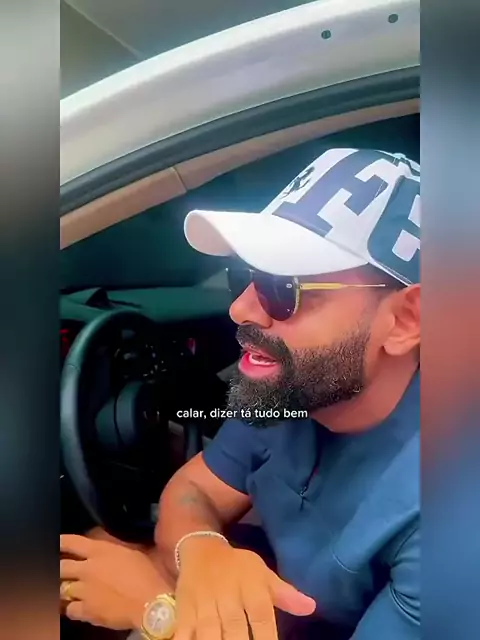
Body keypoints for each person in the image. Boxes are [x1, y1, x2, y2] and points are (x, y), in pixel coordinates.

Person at [60, 147, 420, 640]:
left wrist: (157, 612)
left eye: (281, 287)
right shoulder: (294, 391)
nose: (241, 309)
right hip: (279, 595)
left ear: (406, 320)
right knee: (89, 555)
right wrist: (203, 551)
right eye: (245, 276)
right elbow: (194, 490)